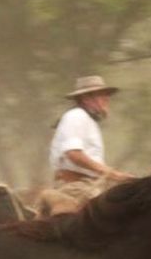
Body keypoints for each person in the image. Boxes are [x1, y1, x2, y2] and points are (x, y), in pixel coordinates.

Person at [44, 75, 132, 214]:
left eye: (106, 95)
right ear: (86, 99)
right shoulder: (76, 116)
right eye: (101, 95)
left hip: (88, 186)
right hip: (77, 188)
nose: (106, 99)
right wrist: (111, 173)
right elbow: (73, 153)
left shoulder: (85, 119)